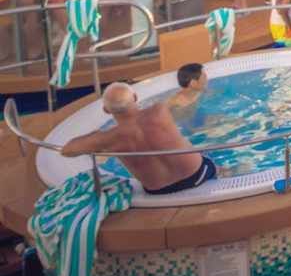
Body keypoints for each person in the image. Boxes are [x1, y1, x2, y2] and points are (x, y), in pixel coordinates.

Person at [61, 82, 218, 195]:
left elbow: (67, 150)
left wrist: (95, 137)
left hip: (159, 190)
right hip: (197, 174)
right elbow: (186, 98)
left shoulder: (108, 138)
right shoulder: (159, 110)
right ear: (135, 97)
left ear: (106, 110)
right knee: (203, 153)